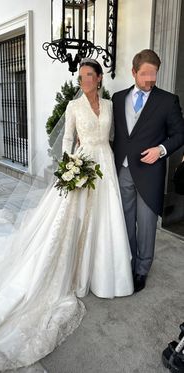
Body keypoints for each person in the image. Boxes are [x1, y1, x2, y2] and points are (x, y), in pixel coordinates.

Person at [0, 58, 133, 372]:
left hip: (106, 166)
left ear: (99, 78)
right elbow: (67, 140)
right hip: (83, 165)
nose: (83, 80)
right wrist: (69, 168)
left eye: (89, 75)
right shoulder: (74, 107)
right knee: (70, 222)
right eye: (80, 76)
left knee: (105, 222)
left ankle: (103, 274)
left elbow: (113, 137)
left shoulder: (109, 105)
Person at [112, 49, 184, 293]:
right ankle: (128, 262)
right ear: (133, 72)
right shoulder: (117, 98)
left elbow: (179, 134)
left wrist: (161, 150)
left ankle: (142, 269)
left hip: (150, 173)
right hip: (121, 169)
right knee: (124, 220)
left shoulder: (168, 100)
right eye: (144, 74)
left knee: (145, 224)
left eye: (154, 74)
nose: (149, 80)